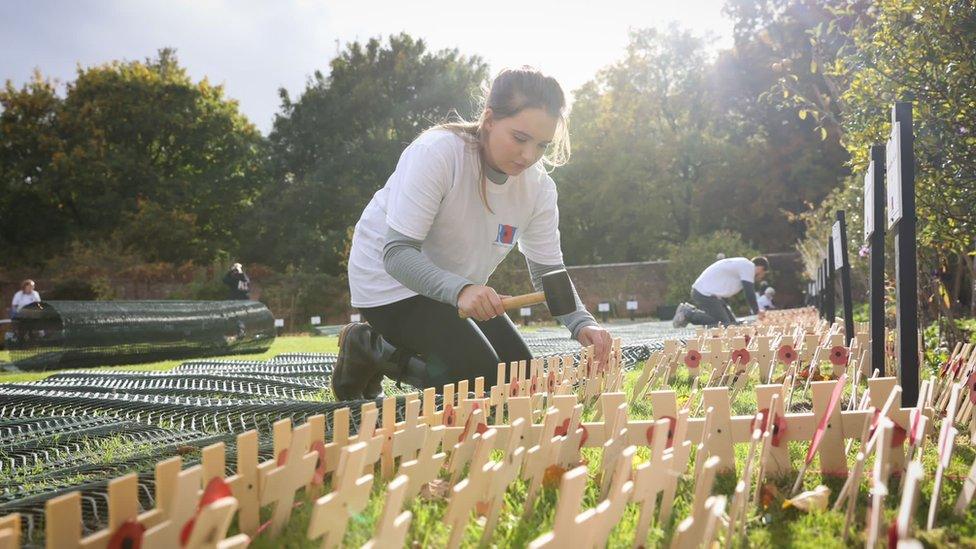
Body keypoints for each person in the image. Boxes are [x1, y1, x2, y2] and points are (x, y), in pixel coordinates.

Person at [334, 66, 613, 400]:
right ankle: (367, 347)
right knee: (478, 378)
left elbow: (548, 272)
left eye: (542, 145)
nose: (529, 156)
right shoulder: (437, 153)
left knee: (518, 380)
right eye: (520, 138)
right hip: (390, 283)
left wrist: (582, 323)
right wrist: (461, 288)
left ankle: (391, 351)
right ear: (490, 119)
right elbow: (396, 254)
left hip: (453, 291)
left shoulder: (539, 188)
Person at [672, 256, 769, 327]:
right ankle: (688, 314)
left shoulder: (743, 265)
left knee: (732, 325)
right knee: (724, 324)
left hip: (710, 295)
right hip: (704, 293)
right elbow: (749, 292)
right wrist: (757, 311)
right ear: (760, 268)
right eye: (763, 274)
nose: (761, 277)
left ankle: (689, 313)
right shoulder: (749, 266)